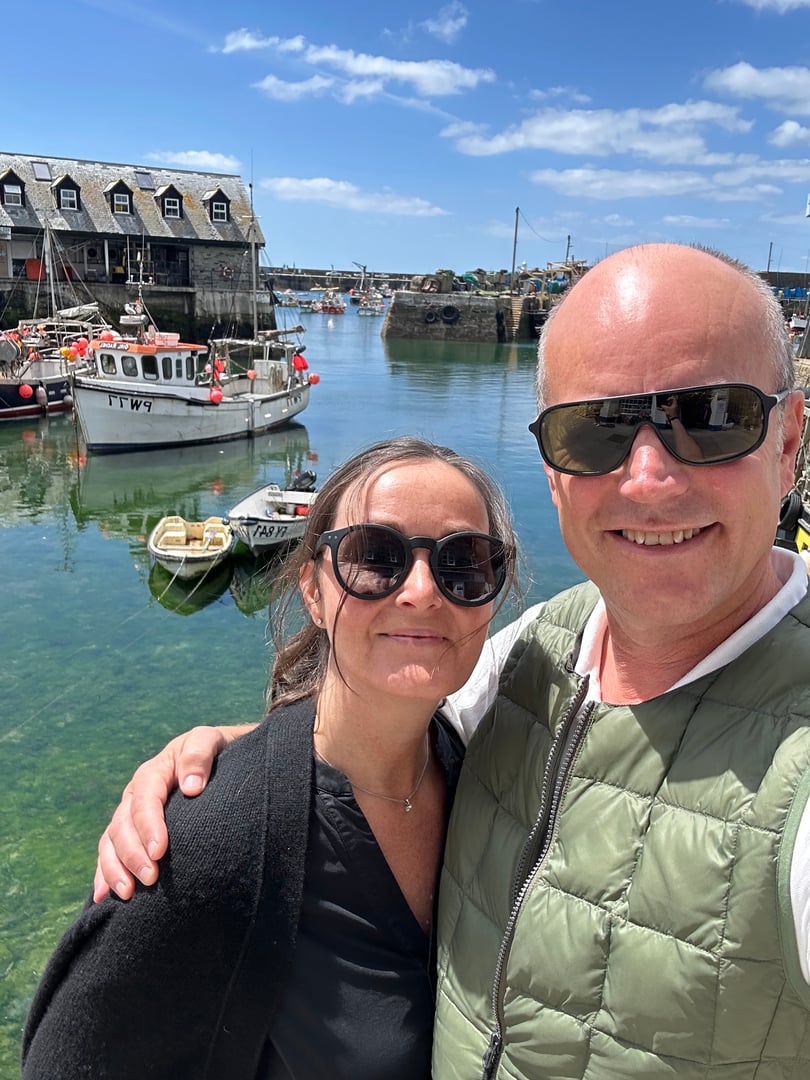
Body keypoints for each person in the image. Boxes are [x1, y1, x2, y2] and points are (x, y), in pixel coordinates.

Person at [91, 244, 810, 1078]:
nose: (647, 477)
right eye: (596, 430)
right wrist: (241, 765)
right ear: (553, 472)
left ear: (789, 441)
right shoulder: (537, 653)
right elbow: (381, 722)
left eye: (712, 415)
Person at [21, 436, 519, 1079]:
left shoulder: (483, 774)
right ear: (312, 589)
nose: (422, 591)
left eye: (464, 563)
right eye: (375, 557)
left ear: (494, 592)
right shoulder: (205, 843)